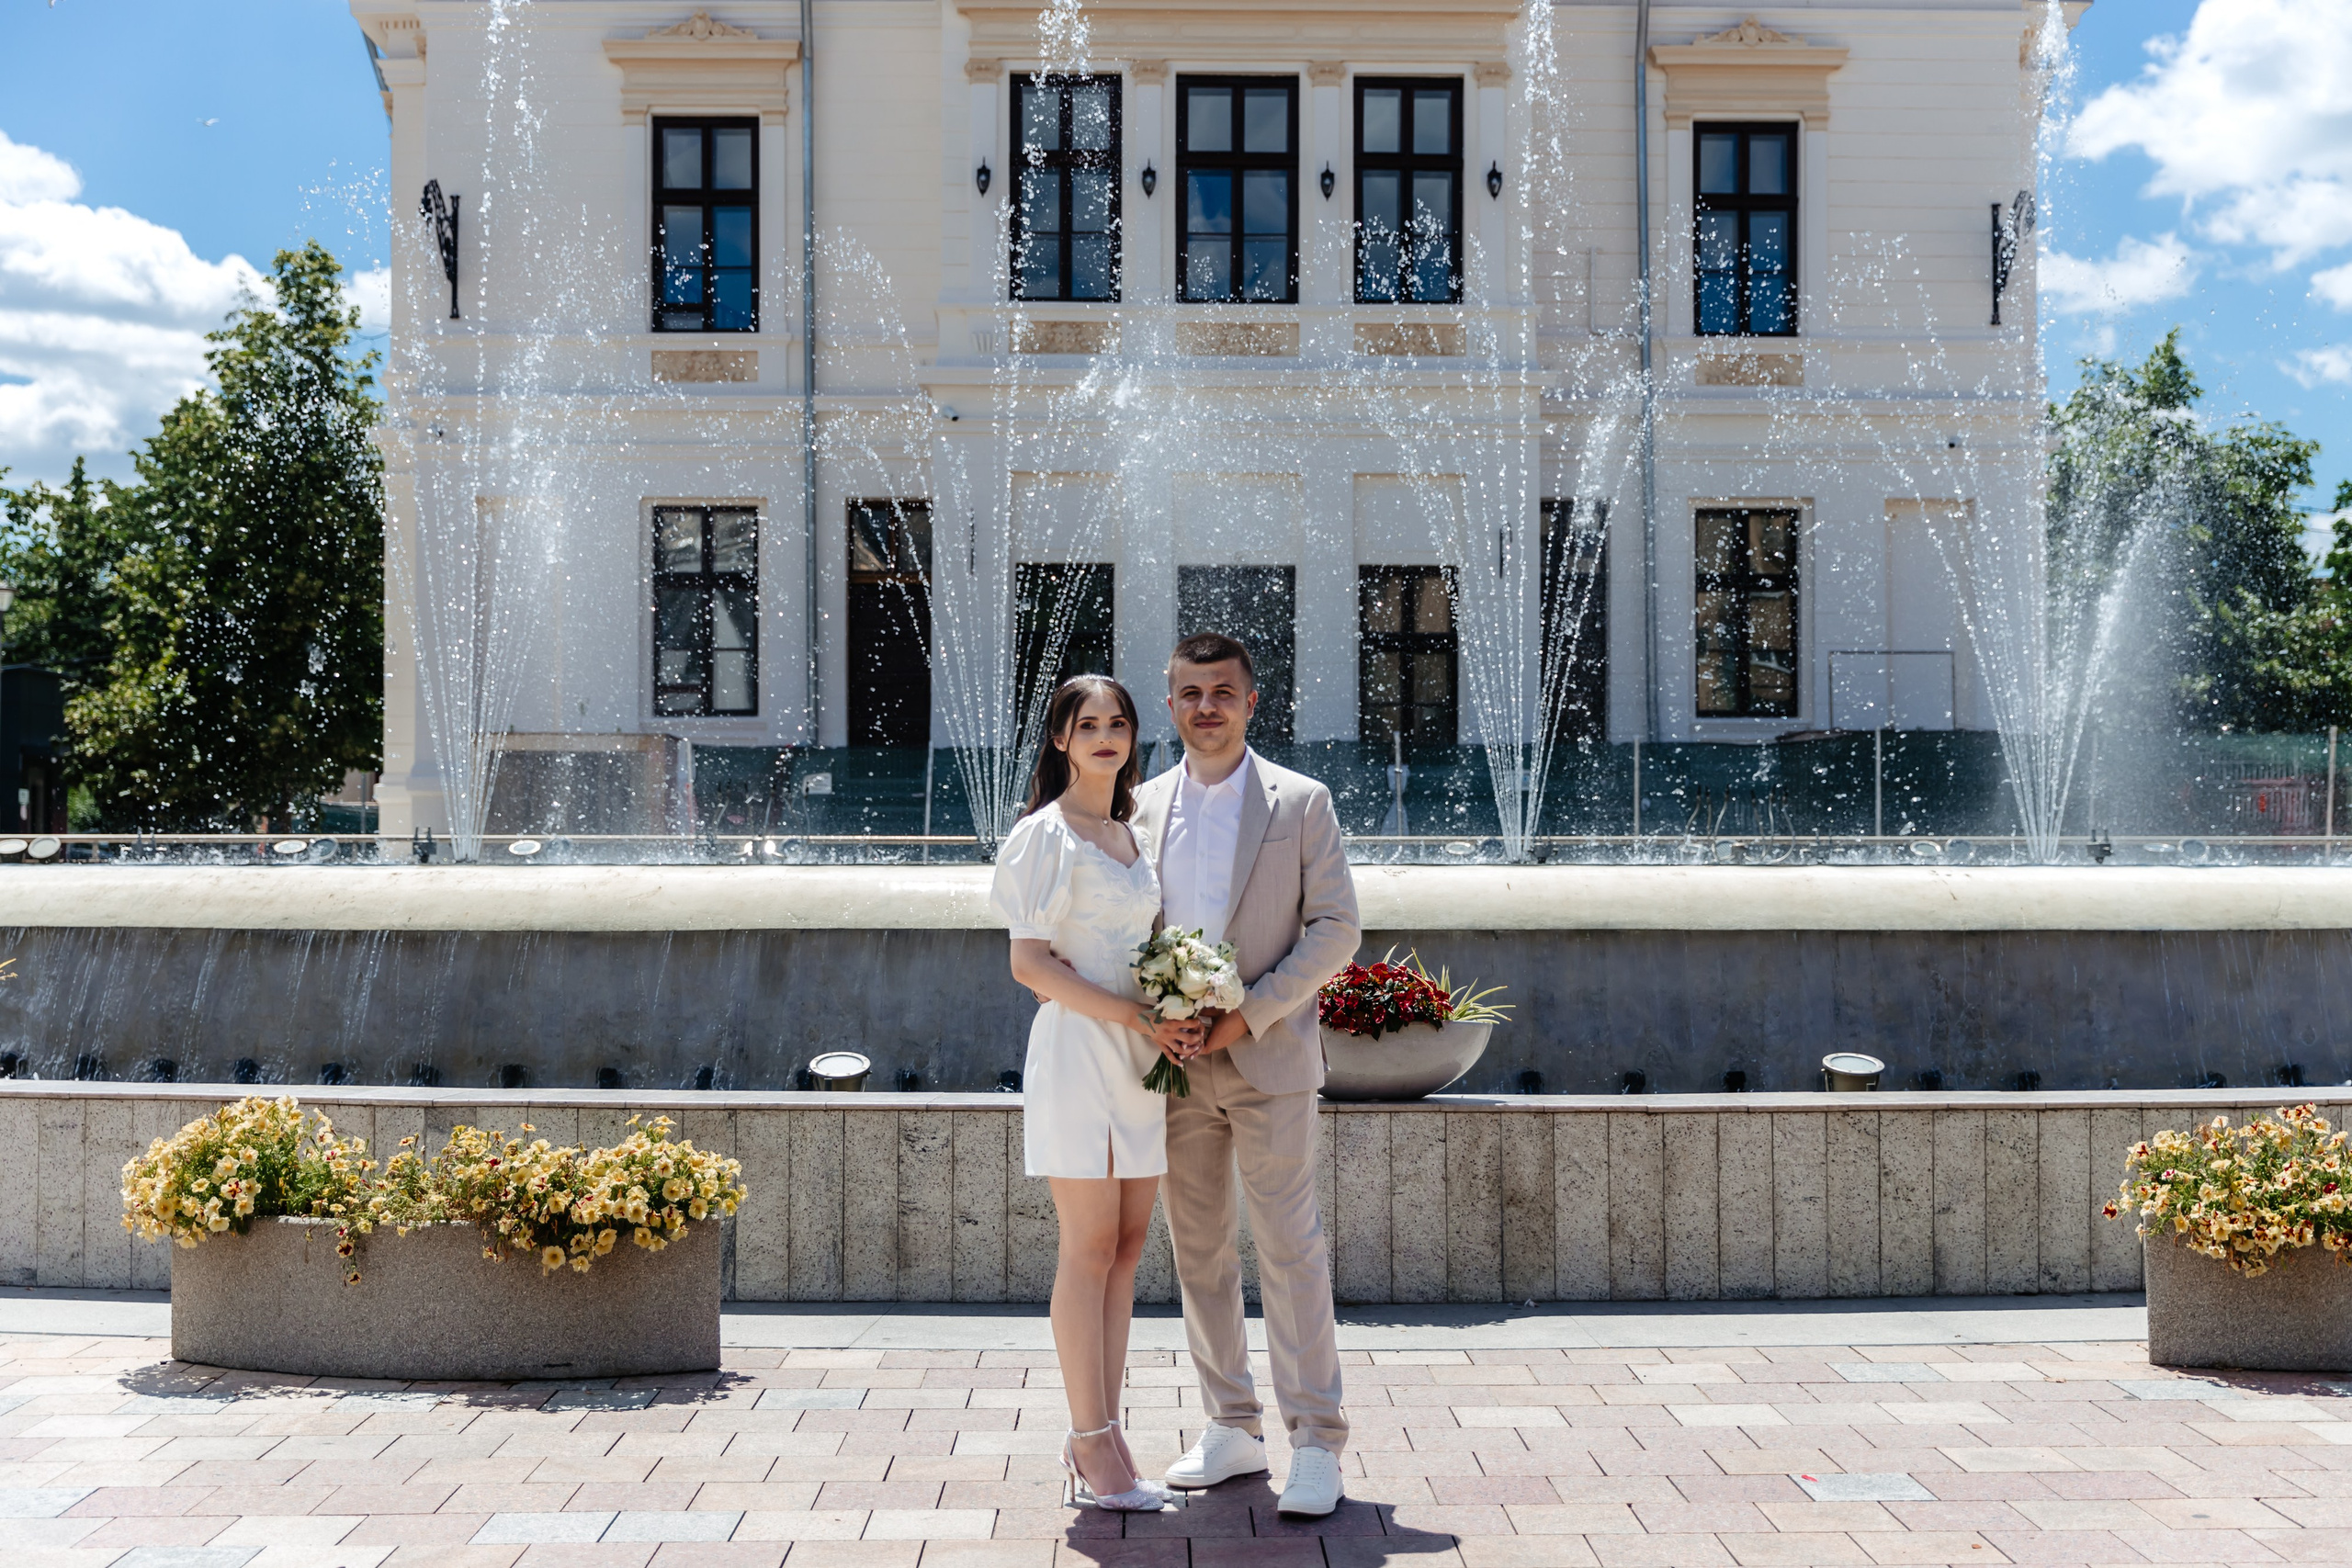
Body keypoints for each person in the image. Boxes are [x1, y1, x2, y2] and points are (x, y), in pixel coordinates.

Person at [1134, 632, 1363, 1517]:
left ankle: (1315, 1438)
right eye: (1190, 692)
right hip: (1177, 1067)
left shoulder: (1301, 803)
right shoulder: (1142, 806)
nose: (1206, 707)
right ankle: (1231, 1424)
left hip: (1266, 1055)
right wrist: (1157, 1012)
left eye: (1222, 692)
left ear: (1251, 702)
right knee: (1198, 1249)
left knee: (1289, 1246)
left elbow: (1336, 928)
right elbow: (1127, 924)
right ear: (1172, 703)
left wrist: (1248, 1010)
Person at [988, 674, 1195, 1513]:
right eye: (1087, 724)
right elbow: (1029, 964)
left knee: (1129, 1242)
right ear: (1061, 741)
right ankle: (1089, 1441)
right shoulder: (1047, 837)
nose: (1104, 735)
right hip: (1080, 1048)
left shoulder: (1130, 834)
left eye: (1117, 722)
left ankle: (1107, 1431)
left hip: (1144, 1054)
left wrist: (1179, 1005)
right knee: (1088, 1243)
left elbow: (1147, 944)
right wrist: (1134, 1015)